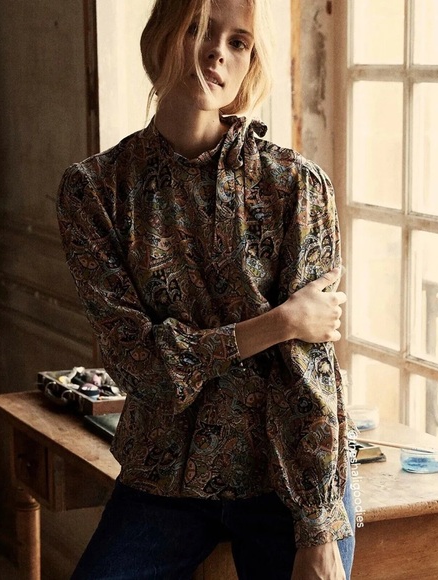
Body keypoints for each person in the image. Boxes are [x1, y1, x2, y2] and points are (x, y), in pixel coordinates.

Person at [57, 0, 355, 578]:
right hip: (163, 477)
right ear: (162, 34)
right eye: (199, 28)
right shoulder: (94, 191)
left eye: (239, 42)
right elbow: (141, 365)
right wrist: (279, 322)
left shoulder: (296, 185)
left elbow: (310, 369)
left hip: (283, 477)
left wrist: (318, 526)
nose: (218, 51)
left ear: (250, 62)